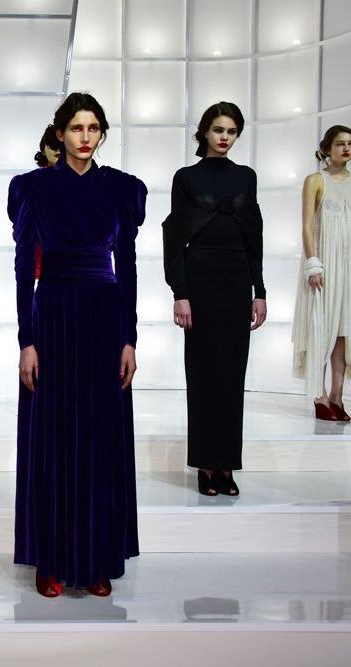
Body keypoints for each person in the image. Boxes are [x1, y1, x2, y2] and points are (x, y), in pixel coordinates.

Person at [10, 92, 145, 598]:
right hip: (53, 316)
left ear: (101, 133)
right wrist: (27, 339)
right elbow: (23, 269)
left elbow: (127, 267)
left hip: (104, 319)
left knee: (99, 440)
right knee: (52, 438)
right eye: (76, 128)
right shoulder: (34, 188)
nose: (85, 137)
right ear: (60, 134)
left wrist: (129, 337)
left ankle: (97, 558)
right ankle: (50, 558)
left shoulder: (121, 189)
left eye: (93, 128)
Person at [163, 101, 267, 497]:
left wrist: (260, 291)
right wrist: (180, 293)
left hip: (237, 281)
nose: (225, 137)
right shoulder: (186, 177)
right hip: (200, 281)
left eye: (232, 131)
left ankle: (226, 465)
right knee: (203, 374)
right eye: (219, 129)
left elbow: (254, 236)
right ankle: (206, 466)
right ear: (205, 132)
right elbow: (174, 238)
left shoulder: (246, 176)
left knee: (232, 377)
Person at [292, 125, 351, 420]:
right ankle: (320, 395)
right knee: (321, 329)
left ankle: (338, 397)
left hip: (349, 264)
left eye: (350, 144)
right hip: (325, 263)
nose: (346, 149)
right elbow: (306, 226)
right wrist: (313, 263)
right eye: (340, 144)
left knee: (344, 332)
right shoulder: (315, 180)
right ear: (327, 148)